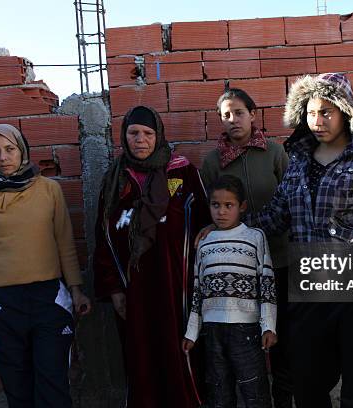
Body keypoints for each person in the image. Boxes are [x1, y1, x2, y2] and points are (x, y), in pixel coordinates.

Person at [196, 73, 353, 407]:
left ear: (345, 112)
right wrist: (231, 230)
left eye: (326, 112)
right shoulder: (298, 161)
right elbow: (277, 214)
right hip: (309, 288)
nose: (317, 121)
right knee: (308, 382)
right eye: (311, 113)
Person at [0, 124, 91, 408]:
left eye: (10, 149)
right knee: (17, 389)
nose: (3, 157)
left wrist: (77, 291)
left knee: (53, 386)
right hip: (3, 306)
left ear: (22, 150)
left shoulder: (49, 190)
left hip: (49, 299)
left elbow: (65, 245)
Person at [93, 105, 210, 408]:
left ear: (158, 136)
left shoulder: (183, 173)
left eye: (147, 133)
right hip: (135, 292)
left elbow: (208, 224)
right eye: (134, 133)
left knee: (180, 354)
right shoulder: (116, 180)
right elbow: (103, 238)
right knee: (141, 358)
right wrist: (114, 290)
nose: (140, 140)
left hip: (178, 289)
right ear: (124, 136)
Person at [200, 88, 292, 407]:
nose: (233, 120)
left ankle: (283, 398)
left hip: (280, 260)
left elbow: (292, 199)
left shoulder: (275, 153)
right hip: (237, 269)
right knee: (242, 343)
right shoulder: (213, 163)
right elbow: (209, 213)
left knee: (282, 339)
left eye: (239, 112)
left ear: (253, 114)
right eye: (226, 115)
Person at [182, 174, 277, 408]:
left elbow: (267, 283)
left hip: (246, 329)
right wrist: (192, 331)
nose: (221, 212)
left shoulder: (255, 237)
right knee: (219, 392)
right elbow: (197, 289)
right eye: (216, 205)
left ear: (241, 207)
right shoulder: (203, 241)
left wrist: (269, 326)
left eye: (228, 205)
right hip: (212, 330)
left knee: (255, 391)